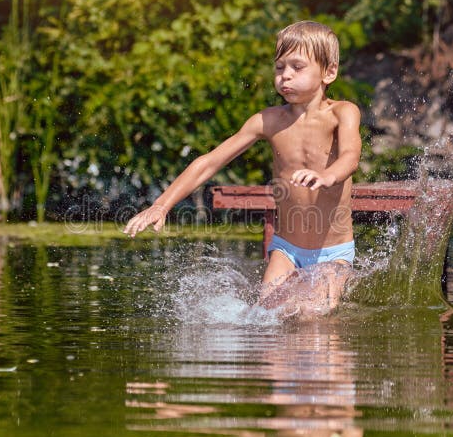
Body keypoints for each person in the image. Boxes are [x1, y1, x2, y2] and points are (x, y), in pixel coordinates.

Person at [123, 20, 362, 299]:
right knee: (266, 316)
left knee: (315, 319)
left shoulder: (343, 113)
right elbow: (209, 162)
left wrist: (327, 176)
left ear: (329, 72)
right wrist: (161, 206)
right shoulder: (268, 120)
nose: (285, 75)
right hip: (287, 248)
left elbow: (350, 156)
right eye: (279, 67)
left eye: (297, 67)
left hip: (332, 251)